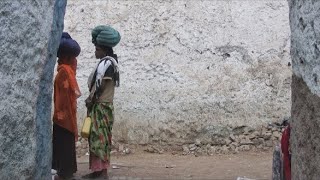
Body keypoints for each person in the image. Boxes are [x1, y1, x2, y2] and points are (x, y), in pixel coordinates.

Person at [83, 25, 121, 179]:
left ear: (104, 50)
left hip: (101, 107)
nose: (95, 52)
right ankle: (97, 171)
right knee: (97, 138)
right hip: (101, 107)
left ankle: (102, 172)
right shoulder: (108, 63)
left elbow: (100, 86)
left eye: (97, 49)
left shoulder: (107, 64)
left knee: (100, 138)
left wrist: (90, 99)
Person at [52, 32, 81, 180]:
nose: (75, 62)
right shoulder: (65, 72)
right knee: (65, 144)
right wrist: (66, 114)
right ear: (68, 58)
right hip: (64, 116)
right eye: (73, 58)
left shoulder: (64, 71)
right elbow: (65, 96)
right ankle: (64, 173)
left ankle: (66, 171)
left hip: (63, 115)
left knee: (66, 143)